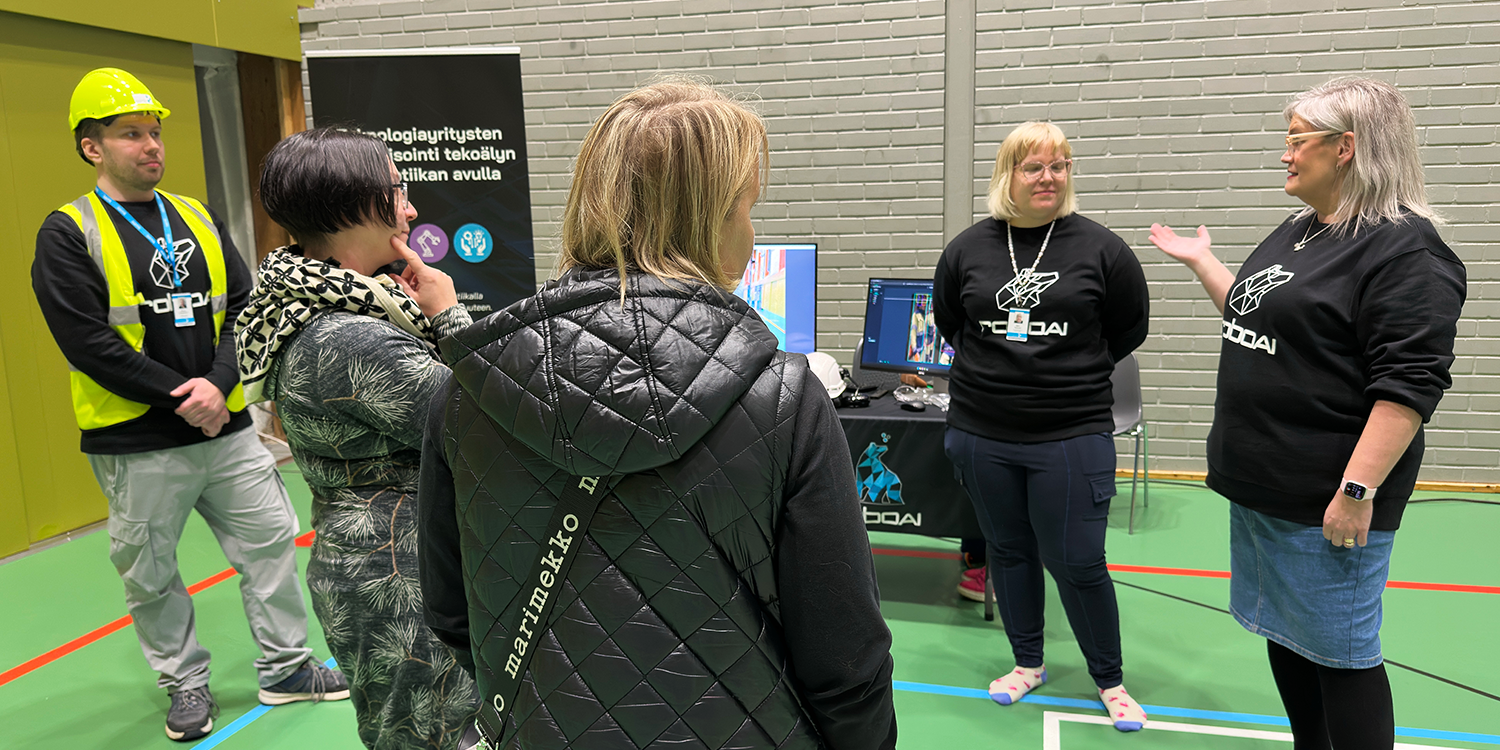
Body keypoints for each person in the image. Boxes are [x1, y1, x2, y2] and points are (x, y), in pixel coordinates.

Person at [417, 79, 898, 750]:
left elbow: (450, 608)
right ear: (710, 218)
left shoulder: (467, 390)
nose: (754, 238)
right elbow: (846, 659)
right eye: (745, 209)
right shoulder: (783, 399)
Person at [29, 68, 346, 743]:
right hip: (138, 441)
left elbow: (243, 309)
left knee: (268, 544)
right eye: (131, 134)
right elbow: (85, 340)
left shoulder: (196, 216)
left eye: (156, 132)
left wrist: (217, 383)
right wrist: (183, 395)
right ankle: (186, 685)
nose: (152, 145)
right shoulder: (67, 232)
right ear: (93, 148)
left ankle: (287, 668)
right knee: (152, 574)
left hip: (226, 430)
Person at [1150, 77, 1465, 749]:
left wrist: (1356, 492)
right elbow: (1262, 318)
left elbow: (1407, 389)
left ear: (1346, 148)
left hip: (1325, 500)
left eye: (1297, 139)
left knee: (1343, 658)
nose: (1285, 153)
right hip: (1264, 487)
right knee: (1289, 637)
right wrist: (1205, 263)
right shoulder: (1303, 230)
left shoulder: (1408, 253)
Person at [235, 127, 480, 749]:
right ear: (353, 205)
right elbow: (482, 423)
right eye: (399, 192)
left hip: (395, 566)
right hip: (398, 582)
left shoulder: (342, 310)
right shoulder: (346, 338)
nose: (412, 209)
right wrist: (451, 317)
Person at [933, 121, 1150, 731]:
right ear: (1009, 175)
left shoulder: (1101, 249)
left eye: (1059, 165)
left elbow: (1127, 328)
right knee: (1008, 549)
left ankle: (1110, 679)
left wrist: (1060, 373)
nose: (1049, 177)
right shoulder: (969, 249)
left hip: (1071, 432)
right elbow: (953, 322)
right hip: (982, 431)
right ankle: (1028, 662)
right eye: (1034, 166)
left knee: (1079, 559)